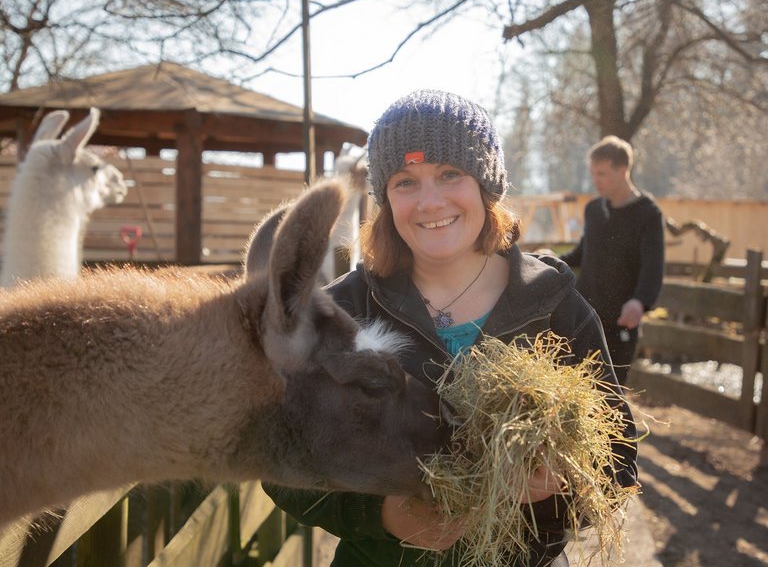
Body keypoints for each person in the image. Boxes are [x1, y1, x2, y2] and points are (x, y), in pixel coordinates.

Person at [263, 90, 637, 567]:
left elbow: (617, 461)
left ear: (487, 185)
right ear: (385, 197)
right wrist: (381, 516)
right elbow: (282, 465)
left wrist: (555, 488)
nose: (430, 201)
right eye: (405, 182)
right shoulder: (342, 311)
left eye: (449, 174)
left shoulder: (554, 305)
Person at [560, 136, 665, 387]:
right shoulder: (594, 209)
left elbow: (653, 266)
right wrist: (548, 261)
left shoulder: (648, 214)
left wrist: (640, 302)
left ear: (623, 169)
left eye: (602, 174)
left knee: (611, 399)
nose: (595, 181)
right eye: (593, 174)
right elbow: (582, 254)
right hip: (585, 317)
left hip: (620, 323)